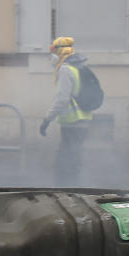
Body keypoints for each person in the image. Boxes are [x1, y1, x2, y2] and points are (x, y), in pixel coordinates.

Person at [39, 36, 93, 187]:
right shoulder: (79, 65)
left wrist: (47, 120)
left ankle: (66, 189)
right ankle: (73, 186)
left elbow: (62, 99)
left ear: (60, 51)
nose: (51, 56)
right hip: (83, 119)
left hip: (72, 121)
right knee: (74, 156)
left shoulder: (65, 69)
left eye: (53, 52)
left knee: (66, 158)